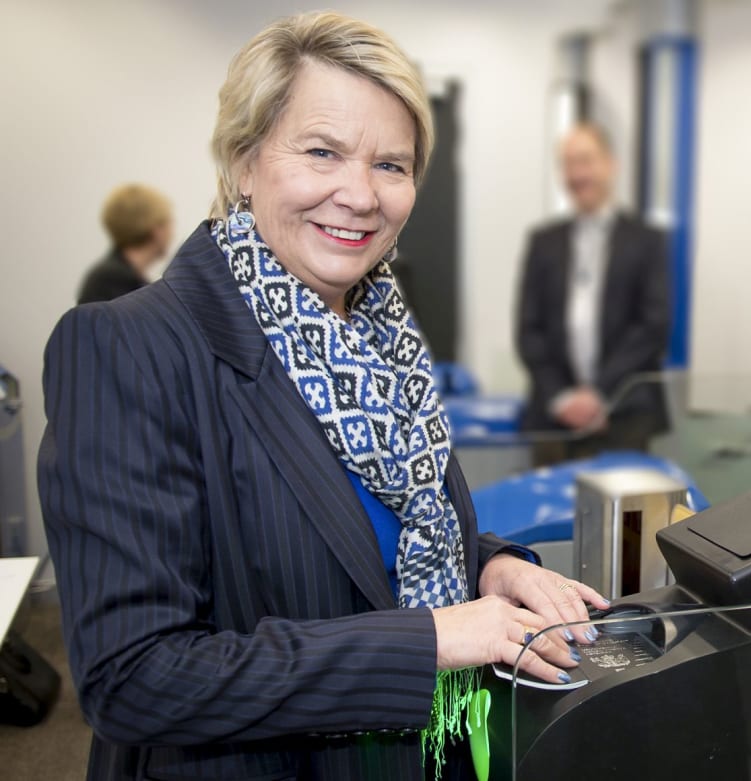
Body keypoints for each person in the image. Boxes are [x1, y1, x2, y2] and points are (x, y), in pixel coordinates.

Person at [38, 13, 607, 781]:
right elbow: (135, 675)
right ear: (243, 162)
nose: (360, 195)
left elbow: (366, 544)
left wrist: (488, 567)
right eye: (322, 152)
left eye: (391, 165)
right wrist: (431, 640)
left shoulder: (382, 338)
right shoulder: (130, 347)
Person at [516, 123, 671, 464]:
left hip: (626, 414)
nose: (577, 174)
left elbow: (653, 326)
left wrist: (599, 394)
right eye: (568, 164)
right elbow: (529, 331)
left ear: (611, 164)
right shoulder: (543, 242)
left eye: (585, 161)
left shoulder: (647, 241)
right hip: (554, 420)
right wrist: (562, 398)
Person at [76, 183, 173, 304]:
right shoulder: (116, 280)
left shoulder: (111, 276)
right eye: (168, 223)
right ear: (156, 229)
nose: (171, 233)